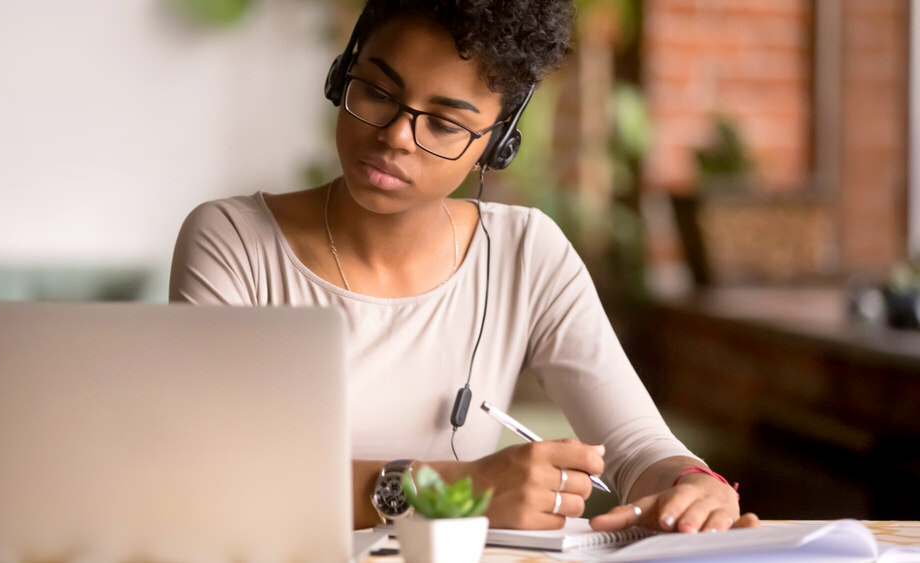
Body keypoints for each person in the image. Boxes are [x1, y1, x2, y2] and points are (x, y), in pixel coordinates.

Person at [169, 0, 759, 533]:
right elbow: (212, 475)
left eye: (445, 124)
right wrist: (452, 490)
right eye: (376, 91)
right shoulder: (234, 241)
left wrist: (693, 486)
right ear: (340, 76)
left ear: (496, 144)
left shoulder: (527, 253)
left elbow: (635, 447)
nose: (397, 136)